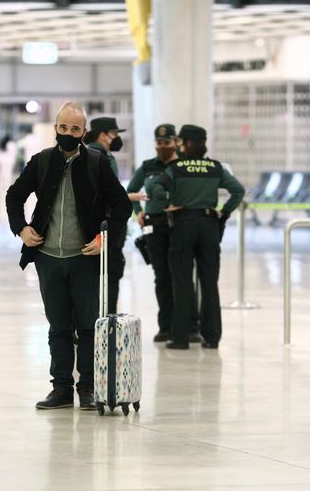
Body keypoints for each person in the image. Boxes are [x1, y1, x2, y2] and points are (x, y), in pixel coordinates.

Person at [5, 102, 131, 410]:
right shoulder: (42, 161)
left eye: (75, 129)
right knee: (58, 326)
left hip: (84, 257)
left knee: (88, 326)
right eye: (63, 128)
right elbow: (15, 195)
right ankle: (61, 387)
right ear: (56, 128)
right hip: (48, 257)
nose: (68, 134)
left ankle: (87, 387)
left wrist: (106, 239)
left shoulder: (96, 163)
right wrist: (21, 229)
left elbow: (122, 205)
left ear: (84, 132)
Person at [149, 125, 245, 350]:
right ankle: (211, 338)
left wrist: (166, 204)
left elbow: (156, 189)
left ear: (189, 143)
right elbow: (238, 191)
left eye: (181, 142)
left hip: (183, 225)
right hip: (209, 225)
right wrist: (224, 211)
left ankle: (180, 337)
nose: (179, 146)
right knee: (210, 282)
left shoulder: (177, 167)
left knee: (182, 282)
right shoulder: (215, 168)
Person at [127, 123, 201, 343]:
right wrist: (138, 212)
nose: (162, 147)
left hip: (180, 224)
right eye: (158, 143)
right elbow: (130, 191)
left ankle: (190, 327)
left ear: (176, 143)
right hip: (155, 225)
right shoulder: (148, 167)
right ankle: (166, 327)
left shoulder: (184, 166)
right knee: (162, 278)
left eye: (166, 143)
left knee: (184, 276)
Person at [84, 116, 127, 312]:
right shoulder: (104, 159)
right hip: (106, 227)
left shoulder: (84, 154)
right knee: (109, 278)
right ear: (103, 135)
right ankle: (106, 327)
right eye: (114, 134)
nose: (117, 138)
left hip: (89, 226)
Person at [0, 135, 18, 217]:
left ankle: (0, 189)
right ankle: (7, 189)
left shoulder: (1, 144)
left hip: (2, 162)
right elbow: (14, 154)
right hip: (9, 163)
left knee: (1, 176)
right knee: (7, 176)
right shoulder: (12, 144)